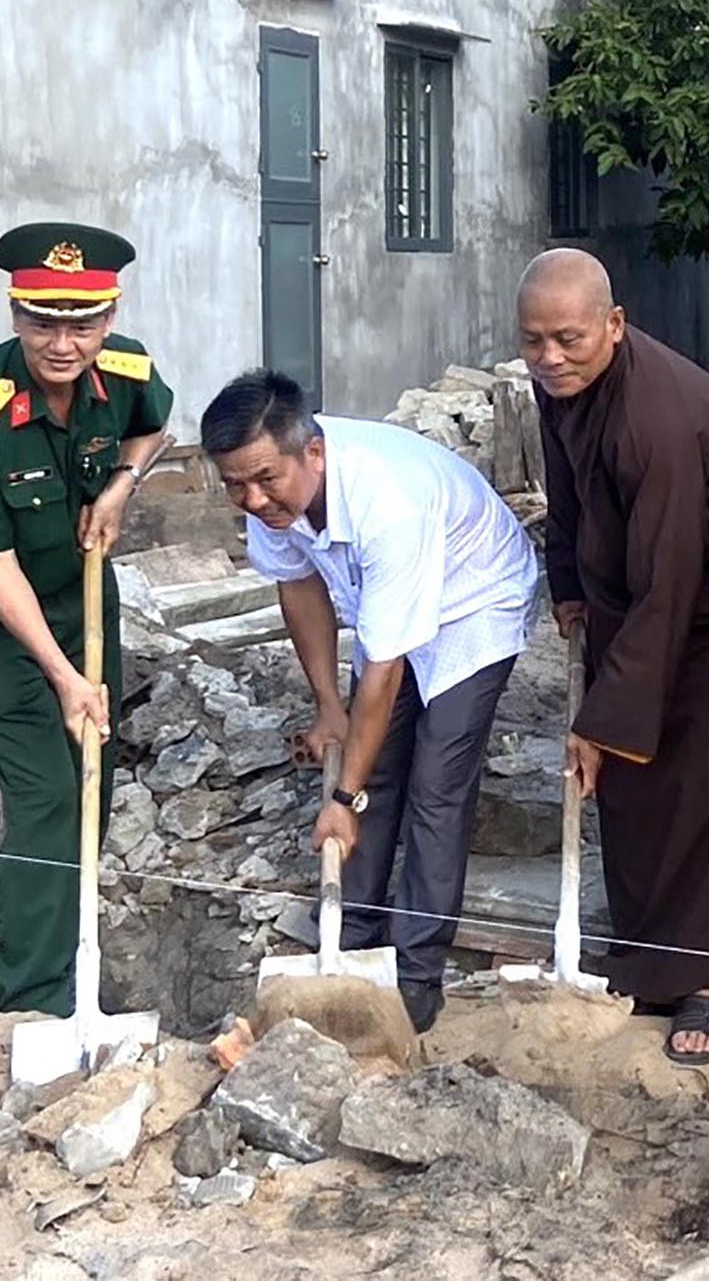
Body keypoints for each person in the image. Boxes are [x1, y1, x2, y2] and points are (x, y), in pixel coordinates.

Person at [520, 249, 709, 1065]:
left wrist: (600, 719)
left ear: (613, 326)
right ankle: (656, 950)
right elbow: (570, 491)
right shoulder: (562, 387)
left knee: (708, 787)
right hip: (652, 592)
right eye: (534, 342)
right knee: (642, 786)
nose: (551, 358)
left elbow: (670, 577)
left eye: (568, 339)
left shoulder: (654, 417)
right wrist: (567, 583)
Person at [203, 370, 536, 1033]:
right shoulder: (268, 494)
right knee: (373, 765)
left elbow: (383, 674)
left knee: (436, 781)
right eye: (234, 484)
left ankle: (416, 977)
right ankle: (351, 939)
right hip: (391, 597)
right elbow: (298, 587)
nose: (253, 498)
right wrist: (330, 706)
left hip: (474, 599)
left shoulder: (389, 502)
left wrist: (340, 800)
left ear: (313, 453)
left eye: (265, 478)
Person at [0, 223, 173, 1013]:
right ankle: (34, 996)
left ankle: (79, 945)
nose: (64, 342)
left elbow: (154, 424)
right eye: (43, 321)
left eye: (83, 323)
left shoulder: (125, 368)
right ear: (15, 315)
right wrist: (65, 678)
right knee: (47, 794)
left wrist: (121, 485)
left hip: (83, 597)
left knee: (91, 779)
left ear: (109, 317)